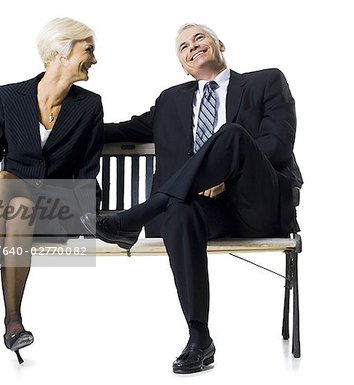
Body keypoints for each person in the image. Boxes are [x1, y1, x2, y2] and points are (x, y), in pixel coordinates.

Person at [81, 23, 302, 374]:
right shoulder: (172, 100)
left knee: (231, 134)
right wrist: (57, 126)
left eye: (199, 38)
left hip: (256, 205)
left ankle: (136, 216)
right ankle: (199, 337)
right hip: (203, 211)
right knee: (180, 214)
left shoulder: (265, 82)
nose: (192, 47)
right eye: (183, 47)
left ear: (219, 44)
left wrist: (226, 176)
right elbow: (122, 130)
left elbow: (277, 144)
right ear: (183, 66)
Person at [0, 17, 103, 364]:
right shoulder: (9, 97)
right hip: (14, 214)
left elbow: (87, 171)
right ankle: (14, 323)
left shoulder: (89, 105)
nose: (94, 60)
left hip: (60, 210)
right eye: (88, 50)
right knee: (13, 199)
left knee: (2, 183)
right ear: (61, 52)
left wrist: (90, 215)